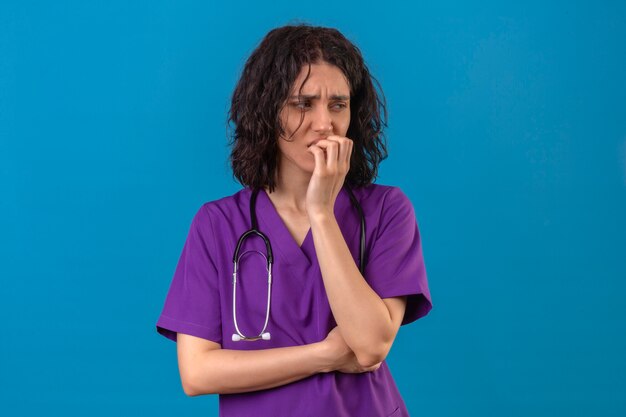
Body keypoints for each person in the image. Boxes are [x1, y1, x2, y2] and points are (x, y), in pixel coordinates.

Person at [155, 22, 433, 417]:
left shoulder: (386, 211)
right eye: (303, 104)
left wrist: (321, 212)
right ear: (267, 113)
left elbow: (371, 346)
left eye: (338, 104)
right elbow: (197, 372)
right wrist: (324, 355)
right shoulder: (217, 224)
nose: (324, 123)